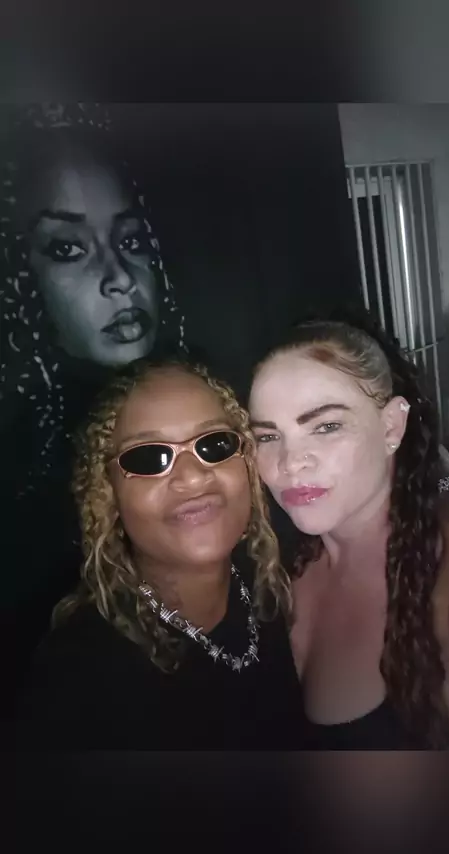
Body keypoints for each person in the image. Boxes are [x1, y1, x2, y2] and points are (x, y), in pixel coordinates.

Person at [17, 359, 305, 749]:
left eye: (214, 445)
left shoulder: (282, 586)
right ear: (109, 494)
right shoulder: (77, 678)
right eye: (149, 457)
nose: (193, 477)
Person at [0, 105, 186, 699]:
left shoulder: (212, 398)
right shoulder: (23, 476)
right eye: (67, 249)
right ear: (20, 278)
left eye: (130, 241)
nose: (119, 277)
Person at [249, 314, 449, 749]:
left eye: (326, 426)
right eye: (267, 436)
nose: (291, 462)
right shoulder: (280, 558)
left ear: (391, 426)